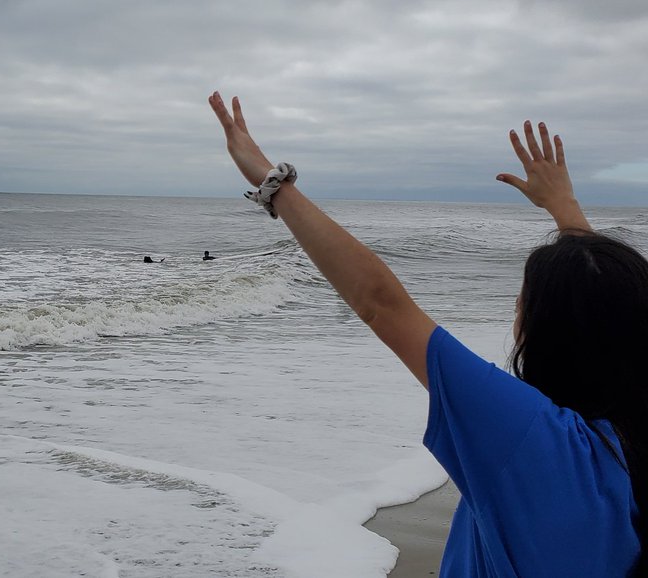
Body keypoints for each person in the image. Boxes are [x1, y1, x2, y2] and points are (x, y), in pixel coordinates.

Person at [209, 90, 643, 576]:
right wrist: (566, 211)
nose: (515, 309)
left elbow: (381, 304)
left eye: (523, 301)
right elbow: (611, 305)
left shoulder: (533, 439)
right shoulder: (624, 443)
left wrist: (274, 183)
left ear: (550, 332)